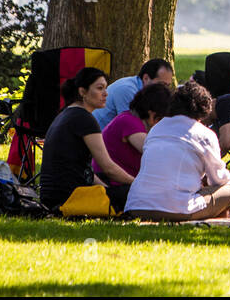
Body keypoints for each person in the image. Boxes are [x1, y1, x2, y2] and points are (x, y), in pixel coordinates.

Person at [125, 79, 230, 222]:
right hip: (175, 208)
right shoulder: (204, 134)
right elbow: (218, 179)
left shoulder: (156, 129)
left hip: (137, 206)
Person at [39, 67, 136, 213]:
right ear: (82, 92)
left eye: (105, 88)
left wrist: (107, 189)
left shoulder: (67, 113)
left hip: (51, 196)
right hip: (70, 197)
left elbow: (86, 171)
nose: (105, 94)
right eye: (99, 88)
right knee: (132, 193)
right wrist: (138, 184)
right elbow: (108, 167)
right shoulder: (84, 118)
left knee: (114, 185)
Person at [93, 82, 172, 183]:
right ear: (152, 114)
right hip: (111, 185)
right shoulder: (129, 122)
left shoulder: (130, 119)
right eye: (162, 119)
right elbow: (155, 153)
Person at [92, 58, 175, 128]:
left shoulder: (145, 93)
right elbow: (131, 127)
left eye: (168, 85)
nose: (165, 89)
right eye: (162, 84)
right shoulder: (127, 90)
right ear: (146, 78)